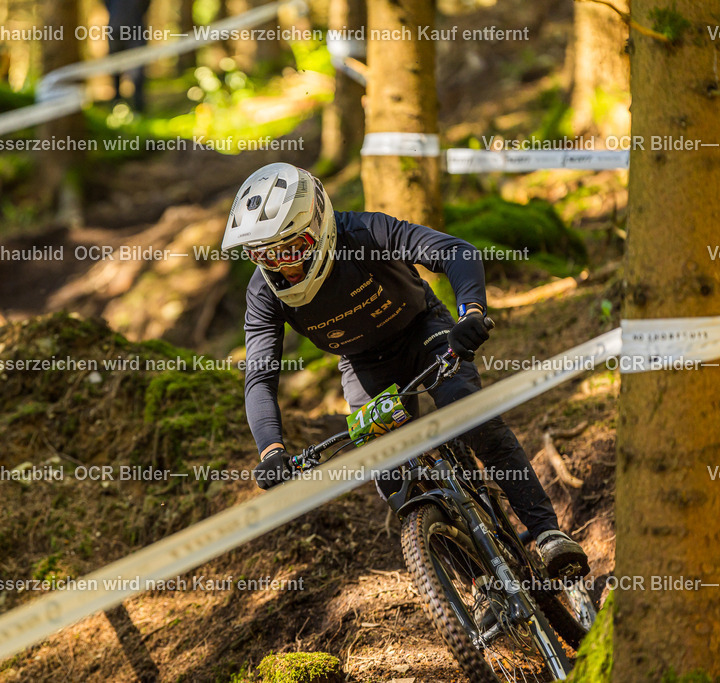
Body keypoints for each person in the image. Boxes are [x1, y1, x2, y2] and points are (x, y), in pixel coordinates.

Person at [222, 162, 588, 579]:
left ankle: (547, 533)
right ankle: (481, 585)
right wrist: (271, 451)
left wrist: (471, 312)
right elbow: (260, 377)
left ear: (317, 226)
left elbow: (456, 251)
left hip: (423, 331)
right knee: (391, 473)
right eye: (263, 255)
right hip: (363, 364)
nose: (280, 267)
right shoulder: (264, 292)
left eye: (288, 249)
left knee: (469, 415)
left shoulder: (363, 232)